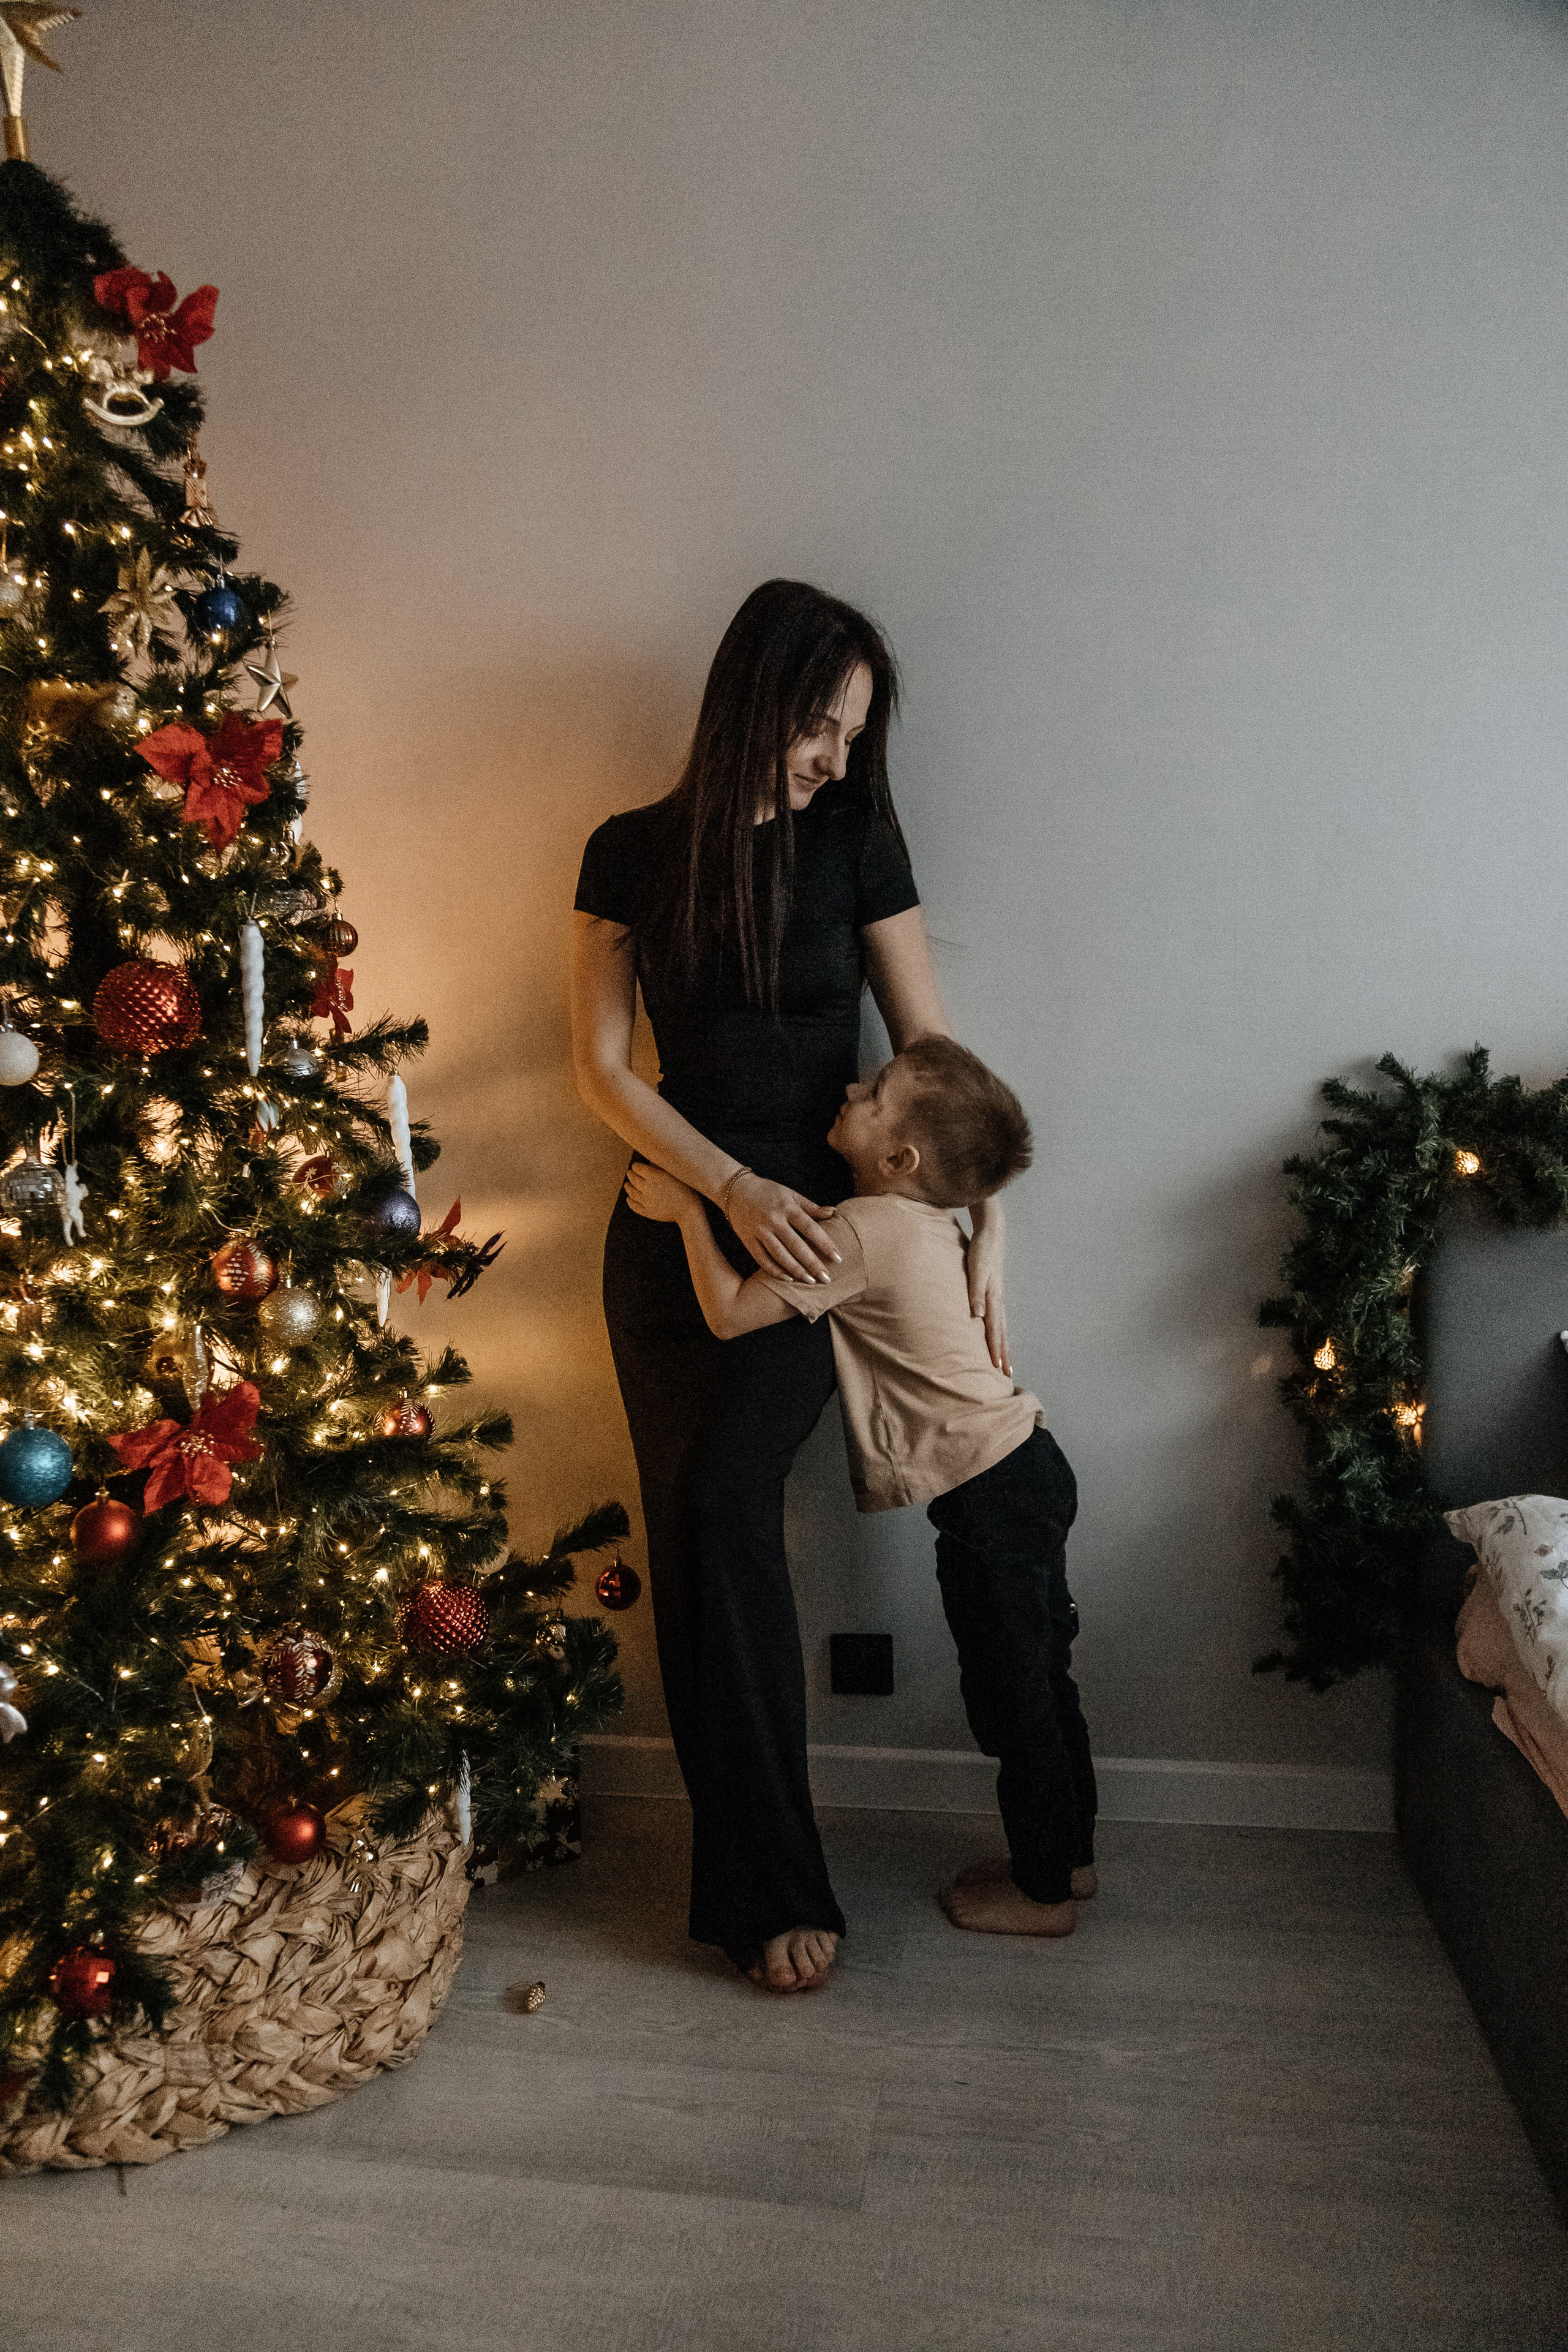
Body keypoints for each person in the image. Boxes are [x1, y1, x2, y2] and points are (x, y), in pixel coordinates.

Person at [571, 579, 1011, 1994]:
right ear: (750, 698)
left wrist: (979, 1226)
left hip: (822, 1246)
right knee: (691, 1534)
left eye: (849, 734)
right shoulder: (626, 852)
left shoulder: (858, 844)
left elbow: (929, 1059)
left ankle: (769, 1879)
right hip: (673, 1224)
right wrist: (725, 1189)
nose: (831, 757)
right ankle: (755, 1877)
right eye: (817, 724)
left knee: (722, 1507)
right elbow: (600, 1069)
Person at [624, 1035, 1097, 1937]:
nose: (851, 1084)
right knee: (1043, 1677)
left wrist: (690, 1209)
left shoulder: (862, 1232)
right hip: (1028, 1464)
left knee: (1014, 1696)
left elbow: (728, 1316)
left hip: (994, 1491)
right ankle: (1067, 1863)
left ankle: (1041, 1897)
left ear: (899, 1159)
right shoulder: (930, 1221)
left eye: (874, 1092)